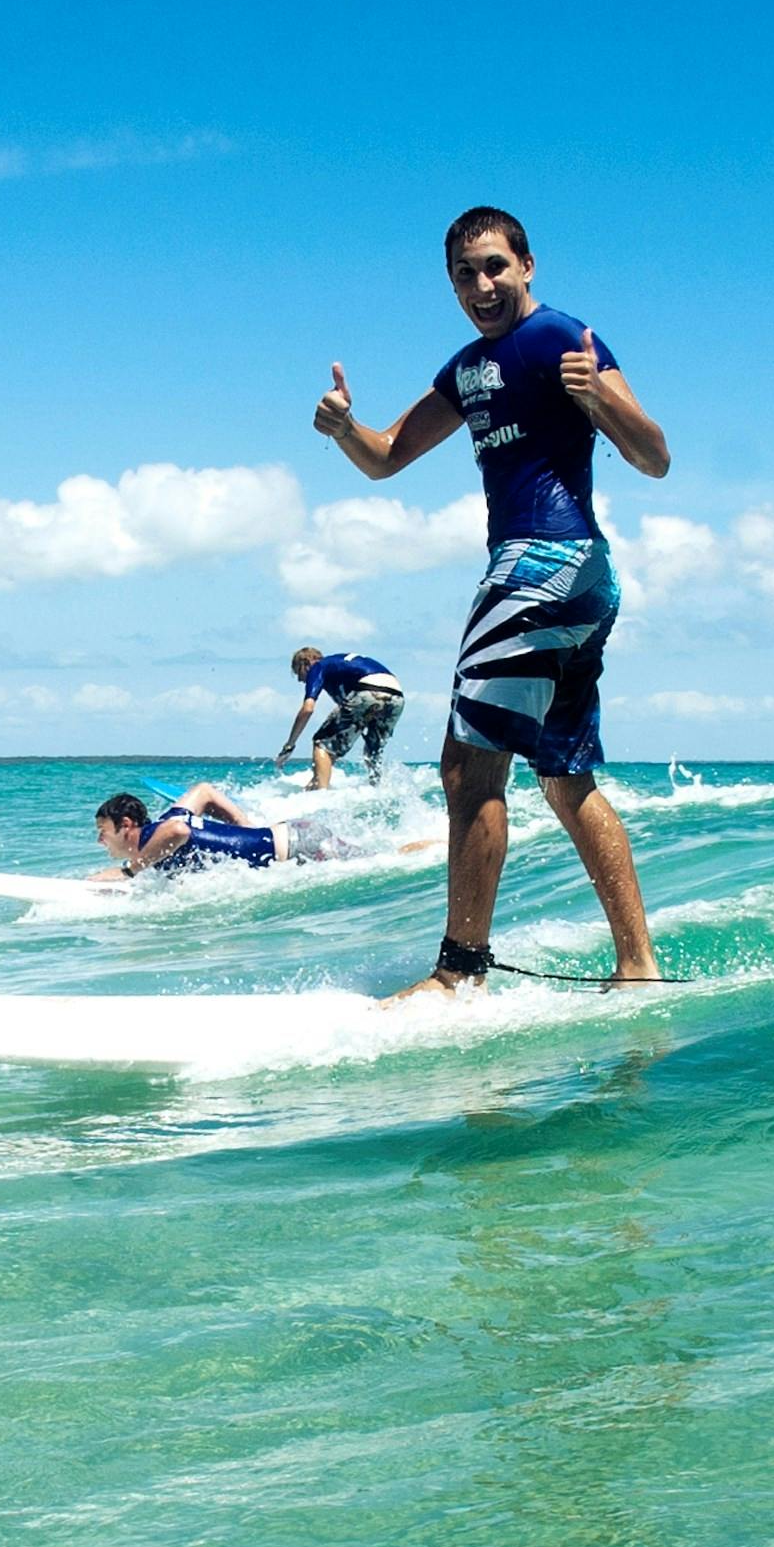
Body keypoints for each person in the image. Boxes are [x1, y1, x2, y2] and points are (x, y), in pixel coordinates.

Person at [309, 204, 671, 993]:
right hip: (573, 580)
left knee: (468, 771)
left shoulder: (558, 338)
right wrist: (343, 429)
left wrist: (601, 401)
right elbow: (386, 458)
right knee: (565, 779)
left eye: (495, 266)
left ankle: (459, 975)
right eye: (465, 273)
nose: (482, 284)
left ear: (528, 264)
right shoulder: (467, 367)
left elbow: (654, 456)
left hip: (542, 563)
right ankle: (637, 965)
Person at [89, 784, 432, 881]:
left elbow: (179, 831)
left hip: (299, 846)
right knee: (379, 857)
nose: (100, 841)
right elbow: (205, 791)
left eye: (103, 831)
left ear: (127, 826)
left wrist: (128, 872)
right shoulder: (164, 823)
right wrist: (247, 828)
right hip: (293, 836)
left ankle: (438, 847)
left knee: (389, 860)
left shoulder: (158, 835)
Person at [277, 645, 407, 787]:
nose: (300, 680)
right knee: (372, 751)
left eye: (298, 672)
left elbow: (308, 709)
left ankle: (320, 795)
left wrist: (290, 744)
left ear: (306, 662)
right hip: (397, 697)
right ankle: (377, 790)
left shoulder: (318, 666)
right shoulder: (339, 668)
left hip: (367, 690)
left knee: (322, 743)